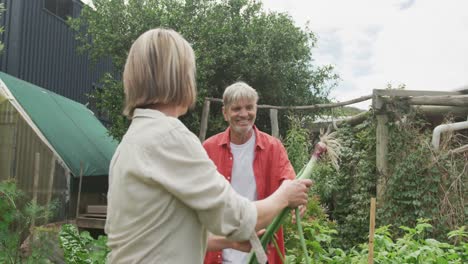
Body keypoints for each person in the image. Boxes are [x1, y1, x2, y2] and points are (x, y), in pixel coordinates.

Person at [104, 28, 313, 264]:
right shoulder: (170, 137)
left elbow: (163, 232)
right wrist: (284, 196)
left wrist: (227, 242)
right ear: (179, 77)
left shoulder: (134, 139)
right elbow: (236, 218)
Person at [203, 82, 301, 264]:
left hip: (262, 252)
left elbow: (290, 183)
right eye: (236, 108)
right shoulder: (209, 149)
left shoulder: (273, 147)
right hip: (219, 253)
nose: (243, 114)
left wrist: (298, 202)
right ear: (225, 113)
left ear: (256, 109)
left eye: (249, 107)